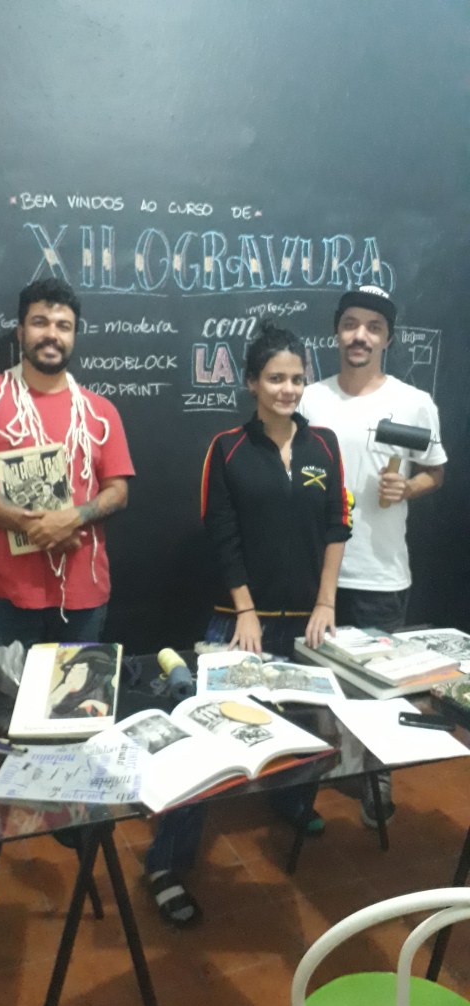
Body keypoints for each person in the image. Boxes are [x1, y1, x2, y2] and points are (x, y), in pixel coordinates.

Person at [0, 278, 135, 902]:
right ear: (21, 330)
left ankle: (67, 818)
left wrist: (76, 516)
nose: (52, 334)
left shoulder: (99, 411)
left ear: (75, 335)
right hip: (1, 592)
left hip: (82, 595)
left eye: (63, 325)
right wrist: (31, 523)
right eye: (41, 322)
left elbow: (119, 490)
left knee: (73, 722)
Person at [145, 316, 352, 927]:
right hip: (240, 622)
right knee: (203, 743)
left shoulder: (325, 446)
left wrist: (326, 602)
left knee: (307, 725)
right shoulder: (227, 448)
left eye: (297, 379)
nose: (288, 389)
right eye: (275, 379)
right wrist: (245, 609)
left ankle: (290, 802)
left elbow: (337, 526)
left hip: (307, 623)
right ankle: (165, 863)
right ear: (252, 383)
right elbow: (222, 531)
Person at [298, 284, 447, 826]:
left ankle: (375, 777)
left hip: (380, 573)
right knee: (316, 685)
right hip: (313, 574)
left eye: (373, 327)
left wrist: (408, 487)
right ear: (337, 332)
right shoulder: (308, 399)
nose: (360, 335)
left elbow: (435, 472)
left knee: (378, 692)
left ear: (387, 338)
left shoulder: (413, 403)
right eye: (351, 324)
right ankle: (315, 772)